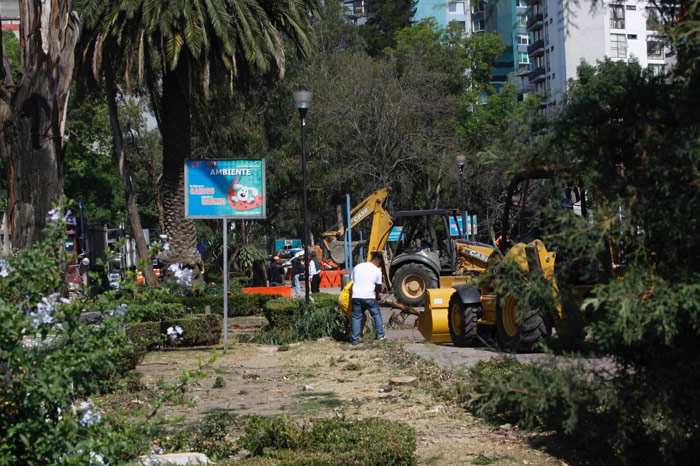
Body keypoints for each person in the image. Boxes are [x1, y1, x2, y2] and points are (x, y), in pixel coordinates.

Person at [350, 252, 386, 344]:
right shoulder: (377, 270)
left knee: (356, 317)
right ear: (378, 261)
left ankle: (355, 339)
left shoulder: (358, 266)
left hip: (356, 296)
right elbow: (378, 287)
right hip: (369, 296)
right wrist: (377, 296)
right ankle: (380, 336)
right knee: (376, 315)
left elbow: (353, 281)